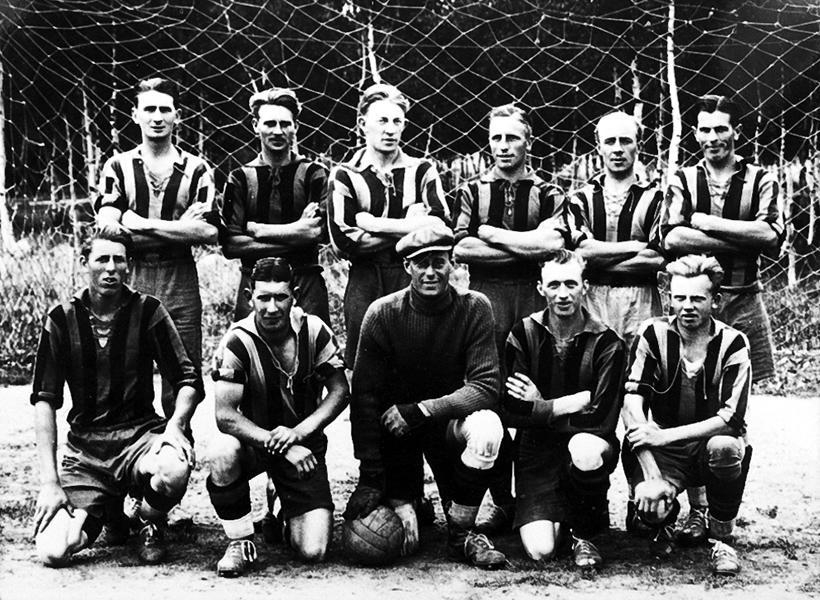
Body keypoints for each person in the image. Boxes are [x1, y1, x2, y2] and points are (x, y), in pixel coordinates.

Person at [30, 228, 202, 567]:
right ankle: (108, 512)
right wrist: (50, 483)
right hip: (88, 452)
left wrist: (175, 427)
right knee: (53, 550)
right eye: (102, 259)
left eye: (119, 260)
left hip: (139, 440)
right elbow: (44, 400)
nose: (111, 268)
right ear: (85, 262)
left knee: (173, 467)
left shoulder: (148, 310)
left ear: (129, 266)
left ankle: (147, 520)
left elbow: (188, 379)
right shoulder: (61, 319)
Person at [344, 224, 507, 569]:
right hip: (397, 434)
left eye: (438, 262)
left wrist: (423, 409)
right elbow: (364, 398)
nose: (430, 272)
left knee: (488, 428)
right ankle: (411, 500)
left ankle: (463, 533)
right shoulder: (382, 313)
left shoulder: (475, 306)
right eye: (421, 263)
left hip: (444, 425)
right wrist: (370, 474)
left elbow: (486, 386)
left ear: (452, 263)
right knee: (404, 541)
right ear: (407, 266)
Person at [661, 94, 781, 544]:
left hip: (743, 300)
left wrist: (706, 223)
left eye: (721, 129)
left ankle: (722, 510)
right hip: (693, 300)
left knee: (734, 413)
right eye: (705, 129)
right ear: (695, 133)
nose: (712, 137)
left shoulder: (762, 178)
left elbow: (770, 234)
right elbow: (672, 237)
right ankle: (698, 510)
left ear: (737, 131)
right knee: (689, 397)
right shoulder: (683, 177)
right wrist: (740, 239)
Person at [452, 103, 568, 533]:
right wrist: (525, 244)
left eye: (512, 137)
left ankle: (545, 497)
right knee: (492, 397)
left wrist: (492, 235)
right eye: (496, 137)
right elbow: (462, 248)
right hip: (486, 302)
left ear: (528, 142)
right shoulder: (471, 191)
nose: (503, 146)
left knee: (539, 393)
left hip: (536, 300)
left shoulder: (549, 191)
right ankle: (502, 500)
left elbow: (552, 246)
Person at [208, 257, 349, 577]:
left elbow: (340, 391)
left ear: (294, 296)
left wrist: (298, 434)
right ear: (249, 298)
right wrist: (282, 443)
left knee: (313, 550)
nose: (272, 307)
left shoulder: (314, 330)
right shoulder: (237, 340)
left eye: (281, 297)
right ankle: (240, 540)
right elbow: (225, 415)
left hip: (303, 445)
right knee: (221, 453)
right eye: (263, 298)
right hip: (255, 443)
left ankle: (280, 505)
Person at [95, 77, 218, 418]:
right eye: (149, 109)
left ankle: (178, 438)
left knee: (183, 376)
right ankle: (133, 443)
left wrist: (141, 223)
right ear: (135, 115)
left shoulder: (196, 169)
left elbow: (209, 231)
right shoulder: (117, 166)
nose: (157, 117)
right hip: (131, 277)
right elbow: (108, 229)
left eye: (165, 109)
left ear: (178, 115)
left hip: (180, 279)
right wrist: (182, 229)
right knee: (126, 374)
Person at [622, 254, 752, 575]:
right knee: (651, 505)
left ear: (715, 301)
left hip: (707, 443)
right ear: (670, 298)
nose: (687, 306)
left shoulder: (734, 343)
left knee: (726, 447)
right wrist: (652, 474)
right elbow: (632, 402)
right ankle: (663, 520)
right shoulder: (653, 334)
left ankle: (721, 538)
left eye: (697, 298)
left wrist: (664, 436)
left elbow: (731, 419)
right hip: (667, 451)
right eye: (679, 297)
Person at [502, 249, 626, 569]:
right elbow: (512, 410)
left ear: (585, 287)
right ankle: (561, 520)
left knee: (584, 448)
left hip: (586, 444)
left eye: (571, 284)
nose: (562, 294)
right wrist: (564, 404)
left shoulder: (608, 342)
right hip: (536, 451)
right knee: (541, 552)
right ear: (541, 288)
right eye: (554, 285)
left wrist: (539, 407)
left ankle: (585, 533)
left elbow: (602, 420)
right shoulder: (522, 334)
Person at [327, 83, 449, 366]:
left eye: (397, 121)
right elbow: (344, 242)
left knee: (419, 361)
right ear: (363, 124)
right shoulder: (345, 175)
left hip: (414, 276)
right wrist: (412, 226)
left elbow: (442, 227)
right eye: (382, 121)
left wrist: (373, 224)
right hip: (365, 279)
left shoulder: (422, 170)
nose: (390, 130)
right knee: (365, 364)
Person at [221, 87, 330, 324]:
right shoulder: (240, 178)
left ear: (295, 127)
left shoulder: (314, 173)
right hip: (254, 286)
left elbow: (317, 233)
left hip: (305, 283)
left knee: (311, 345)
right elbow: (231, 245)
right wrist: (296, 233)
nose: (278, 131)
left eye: (285, 124)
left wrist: (259, 230)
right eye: (270, 123)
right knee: (250, 345)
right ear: (255, 125)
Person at [567, 111, 665, 348]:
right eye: (610, 141)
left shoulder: (657, 198)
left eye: (626, 141)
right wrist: (636, 246)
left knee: (640, 366)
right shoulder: (580, 199)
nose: (618, 149)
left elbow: (656, 258)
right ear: (599, 146)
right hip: (591, 300)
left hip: (641, 300)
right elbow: (582, 252)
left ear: (639, 145)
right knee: (592, 364)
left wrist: (595, 261)